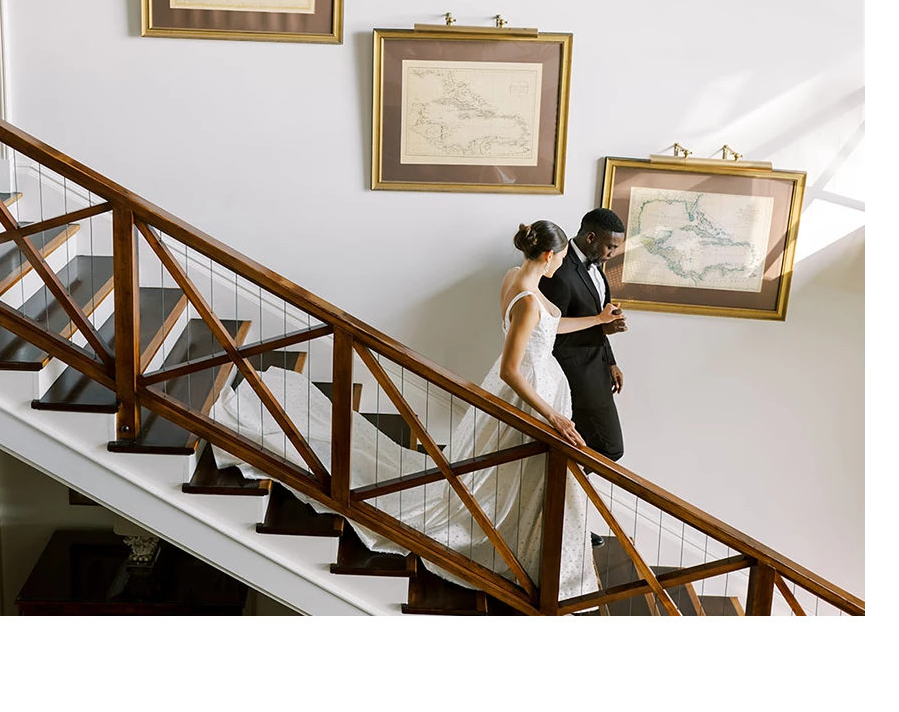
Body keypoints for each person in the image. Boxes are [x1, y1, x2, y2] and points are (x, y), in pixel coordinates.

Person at [207, 220, 620, 605]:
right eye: (561, 257)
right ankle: (518, 551)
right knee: (509, 474)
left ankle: (524, 543)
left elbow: (549, 327)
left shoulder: (514, 277)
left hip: (536, 385)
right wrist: (552, 416)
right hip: (527, 397)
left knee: (512, 475)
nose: (562, 264)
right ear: (548, 256)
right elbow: (511, 371)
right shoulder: (528, 301)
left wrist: (597, 321)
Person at [540, 208, 627, 453]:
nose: (612, 254)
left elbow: (599, 317)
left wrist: (610, 361)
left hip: (598, 369)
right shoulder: (558, 269)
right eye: (610, 247)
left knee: (575, 447)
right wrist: (601, 325)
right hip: (576, 376)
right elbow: (549, 332)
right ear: (590, 238)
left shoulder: (596, 265)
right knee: (610, 448)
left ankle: (564, 479)